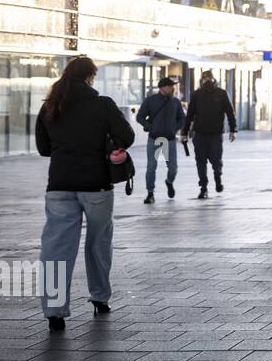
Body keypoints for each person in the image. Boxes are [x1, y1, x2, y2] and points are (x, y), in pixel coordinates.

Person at [35, 56, 135, 332]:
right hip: (97, 185)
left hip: (59, 185)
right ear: (90, 77)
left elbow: (44, 148)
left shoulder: (50, 106)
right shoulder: (102, 104)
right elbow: (126, 136)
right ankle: (100, 299)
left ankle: (54, 312)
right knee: (98, 243)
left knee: (56, 249)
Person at [181, 70, 237, 199]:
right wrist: (184, 132)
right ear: (202, 80)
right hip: (199, 133)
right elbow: (189, 115)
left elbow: (230, 112)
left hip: (216, 134)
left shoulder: (221, 94)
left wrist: (233, 129)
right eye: (205, 78)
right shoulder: (196, 95)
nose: (207, 81)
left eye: (209, 78)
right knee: (200, 161)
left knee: (216, 160)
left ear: (213, 79)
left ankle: (218, 178)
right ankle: (204, 188)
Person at [136, 76, 186, 204]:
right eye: (170, 86)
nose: (173, 88)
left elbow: (182, 118)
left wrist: (175, 128)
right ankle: (150, 193)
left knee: (173, 168)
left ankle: (169, 182)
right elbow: (140, 117)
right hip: (154, 139)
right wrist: (150, 127)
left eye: (173, 86)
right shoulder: (150, 101)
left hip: (169, 139)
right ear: (163, 88)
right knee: (151, 167)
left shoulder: (175, 102)